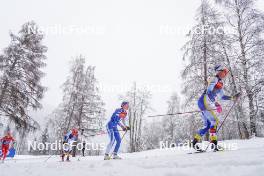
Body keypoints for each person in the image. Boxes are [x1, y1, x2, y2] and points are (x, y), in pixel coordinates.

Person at [192, 65, 241, 151]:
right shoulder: (214, 79)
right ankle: (214, 144)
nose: (225, 74)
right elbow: (209, 91)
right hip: (205, 100)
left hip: (204, 102)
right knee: (215, 121)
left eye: (226, 72)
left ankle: (195, 142)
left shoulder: (220, 83)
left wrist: (232, 98)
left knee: (207, 125)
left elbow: (222, 97)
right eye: (224, 71)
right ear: (219, 71)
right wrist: (216, 103)